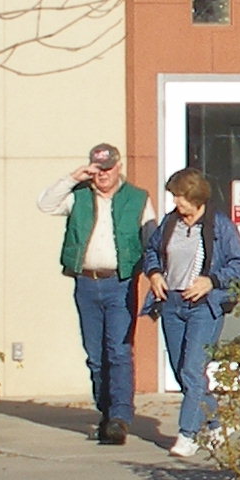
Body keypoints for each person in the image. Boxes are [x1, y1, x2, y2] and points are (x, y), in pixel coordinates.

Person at [36, 141, 151, 444]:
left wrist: (155, 275)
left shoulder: (137, 199)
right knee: (96, 356)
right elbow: (45, 204)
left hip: (121, 283)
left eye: (108, 168)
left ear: (119, 167)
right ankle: (106, 411)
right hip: (86, 283)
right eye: (98, 168)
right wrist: (74, 177)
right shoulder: (79, 196)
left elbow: (150, 238)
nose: (102, 174)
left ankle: (120, 418)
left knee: (119, 351)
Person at [142, 168, 240, 458]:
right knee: (183, 371)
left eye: (181, 197)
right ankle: (217, 423)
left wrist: (211, 281)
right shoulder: (170, 223)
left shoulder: (219, 226)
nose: (177, 203)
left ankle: (188, 435)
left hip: (205, 307)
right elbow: (152, 251)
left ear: (196, 197)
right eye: (174, 197)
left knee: (193, 369)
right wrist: (154, 274)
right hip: (172, 303)